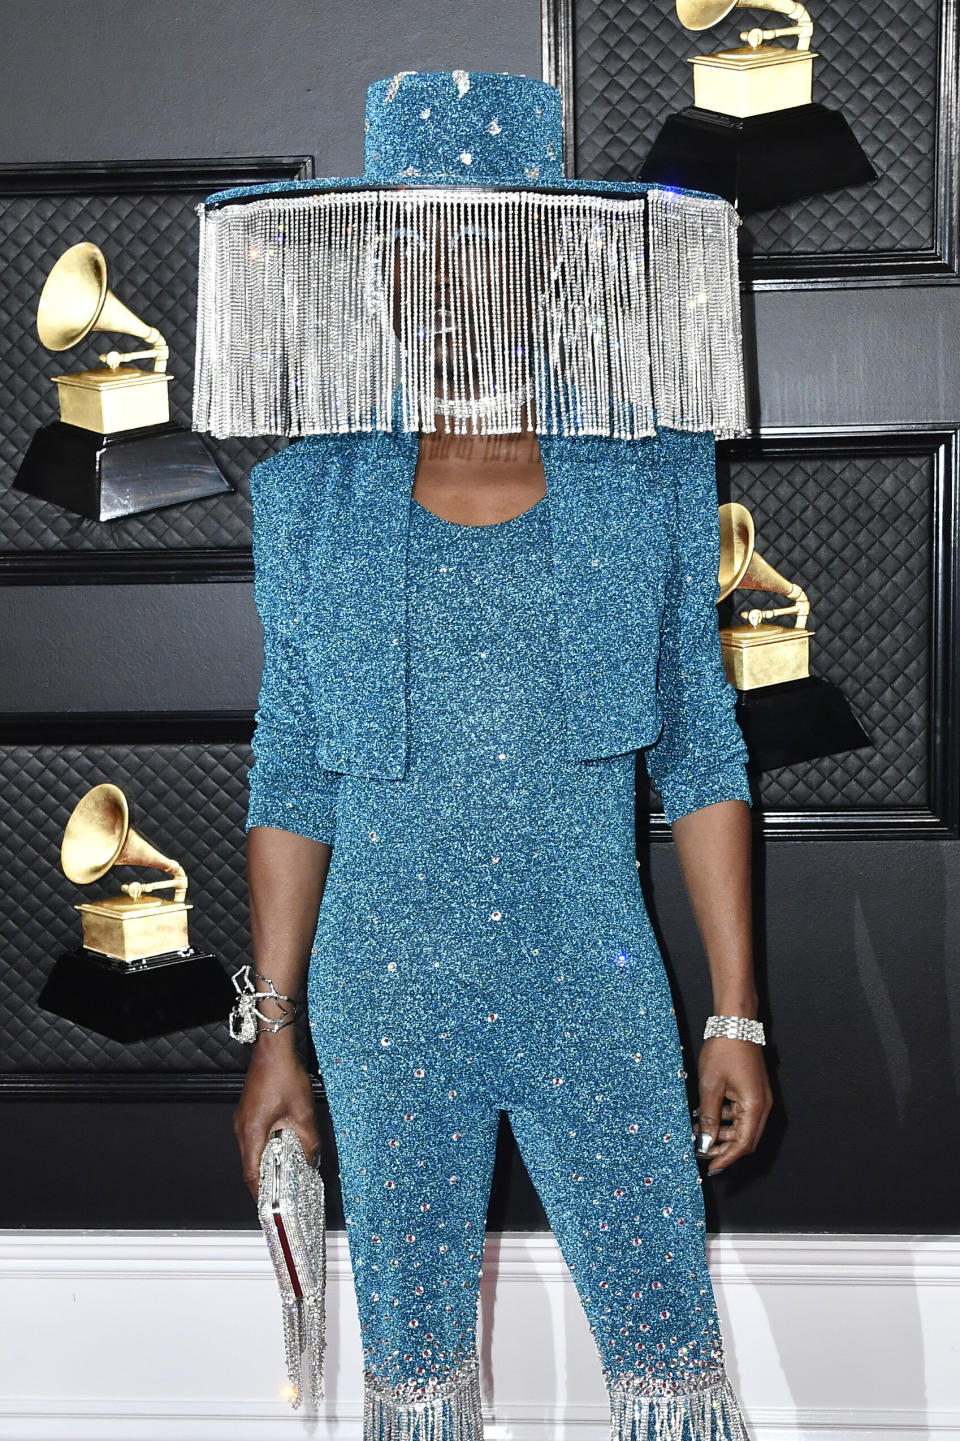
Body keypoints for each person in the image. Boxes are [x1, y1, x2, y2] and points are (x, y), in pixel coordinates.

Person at [195, 70, 772, 1441]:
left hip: (596, 972)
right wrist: (273, 1037)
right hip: (384, 990)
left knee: (667, 1352)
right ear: (385, 266)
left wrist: (735, 1008)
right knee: (416, 1366)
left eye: (491, 244)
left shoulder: (651, 471)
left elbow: (699, 745)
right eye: (425, 248)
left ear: (546, 258)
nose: (457, 282)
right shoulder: (310, 490)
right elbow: (292, 768)